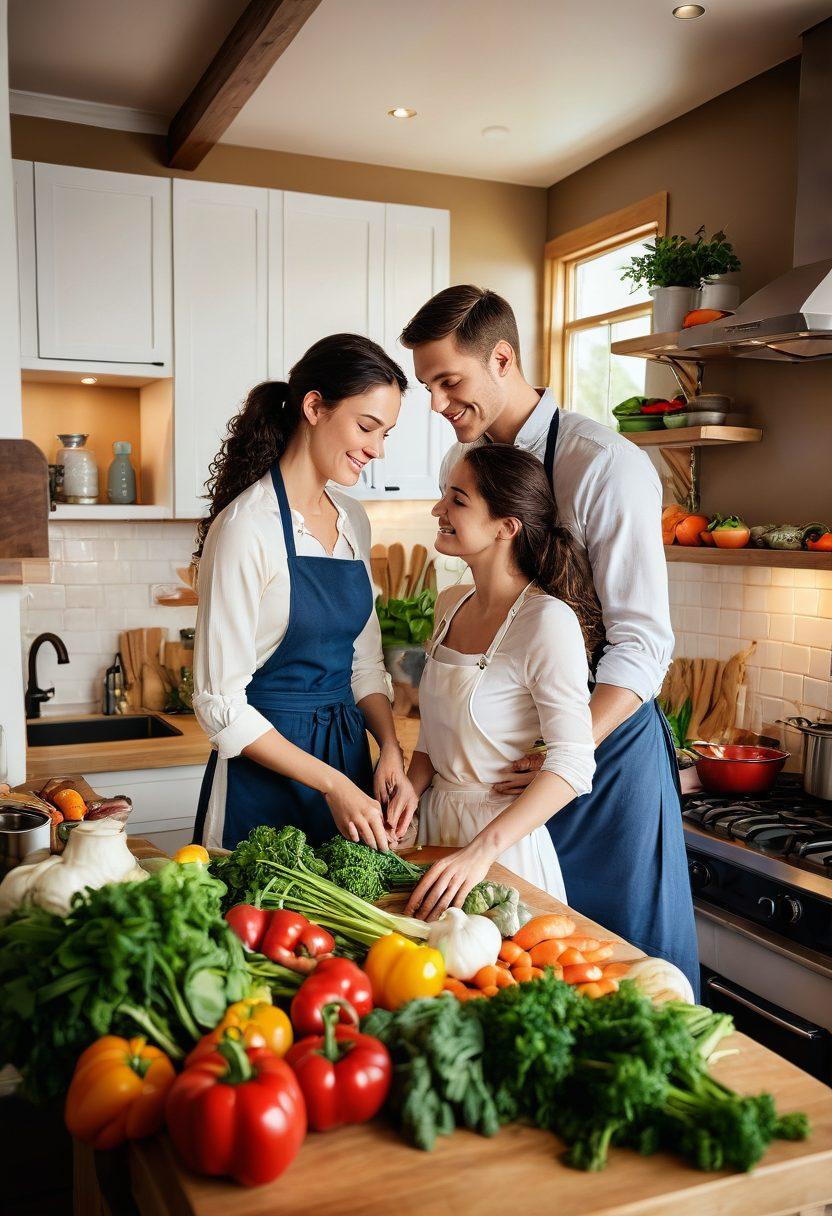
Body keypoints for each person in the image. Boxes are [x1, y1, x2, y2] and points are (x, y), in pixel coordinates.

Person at [399, 285, 699, 994]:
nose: (438, 405)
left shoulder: (603, 465)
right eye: (428, 387)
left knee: (627, 974)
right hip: (506, 770)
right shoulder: (467, 467)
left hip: (605, 757)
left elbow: (644, 644)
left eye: (449, 382)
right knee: (523, 980)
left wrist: (564, 751)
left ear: (502, 358)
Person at [192, 333, 417, 852]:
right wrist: (332, 784)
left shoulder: (353, 520)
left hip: (347, 764)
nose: (377, 450)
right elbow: (219, 703)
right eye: (367, 426)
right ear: (314, 406)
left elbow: (362, 663)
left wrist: (389, 748)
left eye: (386, 433)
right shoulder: (247, 528)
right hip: (263, 775)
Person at [396, 444, 600, 917]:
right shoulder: (450, 603)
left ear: (506, 527)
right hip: (434, 834)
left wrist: (482, 850)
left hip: (503, 850)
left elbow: (573, 764)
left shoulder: (547, 621)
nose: (438, 509)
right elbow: (436, 727)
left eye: (458, 500)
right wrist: (412, 788)